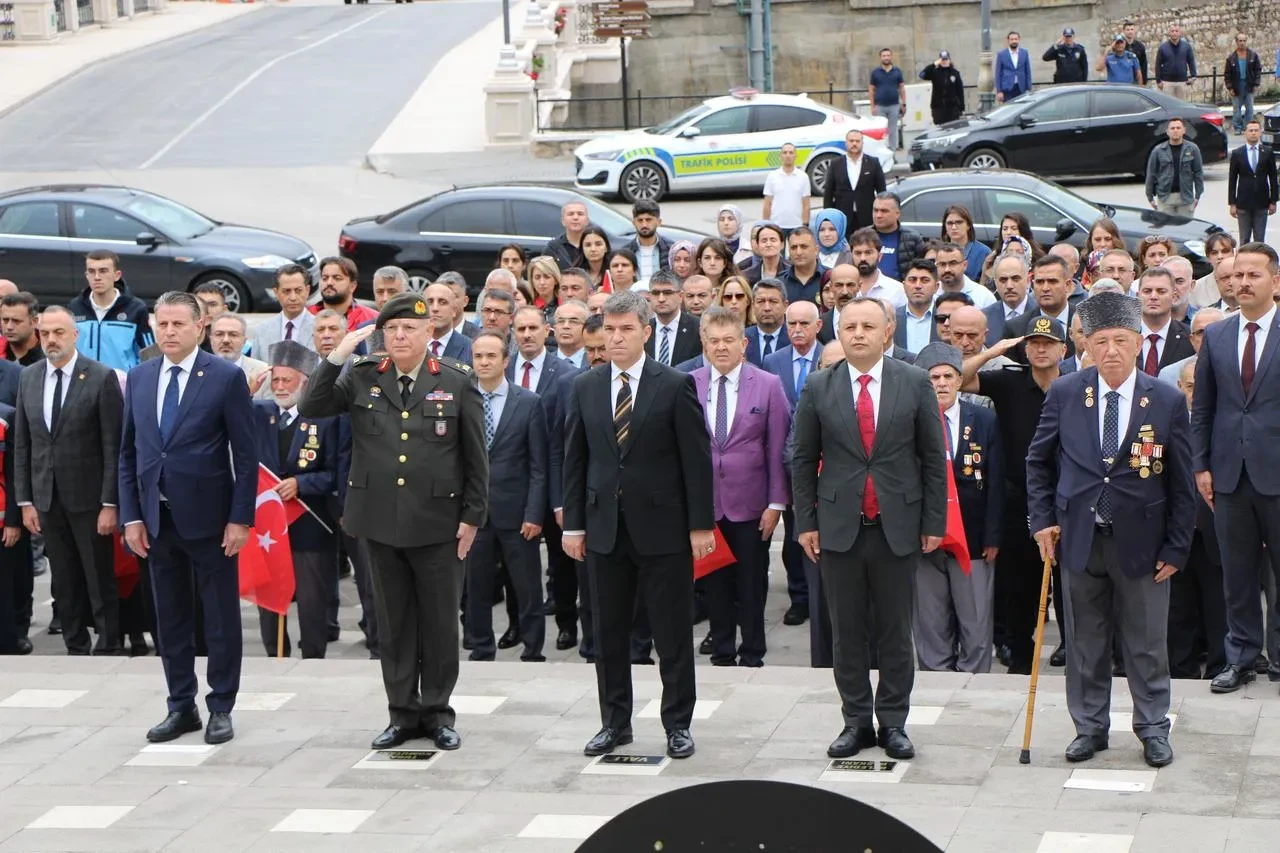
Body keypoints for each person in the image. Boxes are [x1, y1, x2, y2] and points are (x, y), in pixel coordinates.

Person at [299, 292, 488, 750]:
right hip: (380, 520)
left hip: (439, 521)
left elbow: (475, 456)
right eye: (392, 329)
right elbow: (312, 406)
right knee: (394, 622)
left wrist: (473, 517)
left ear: (429, 334)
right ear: (382, 335)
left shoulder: (456, 381)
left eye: (410, 329)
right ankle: (402, 713)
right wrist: (339, 353)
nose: (400, 336)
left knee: (441, 623)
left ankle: (438, 713)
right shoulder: (364, 377)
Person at [1027, 291, 1193, 769]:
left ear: (1138, 343)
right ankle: (1090, 727)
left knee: (1145, 643)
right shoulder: (1065, 391)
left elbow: (1182, 478)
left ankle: (1152, 728)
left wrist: (1178, 546)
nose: (1112, 351)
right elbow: (1038, 461)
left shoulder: (1162, 398)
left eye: (1121, 340)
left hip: (1143, 543)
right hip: (1079, 539)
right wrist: (1042, 521)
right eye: (1102, 342)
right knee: (1084, 643)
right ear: (1087, 347)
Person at [792, 296, 948, 759]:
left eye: (867, 326)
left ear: (887, 333)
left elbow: (932, 459)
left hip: (897, 524)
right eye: (849, 326)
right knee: (847, 631)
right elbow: (802, 460)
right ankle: (856, 721)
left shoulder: (914, 382)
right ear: (838, 333)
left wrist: (933, 521)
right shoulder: (820, 386)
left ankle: (894, 722)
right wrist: (806, 523)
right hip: (840, 526)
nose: (858, 333)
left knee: (896, 631)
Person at [562, 290, 714, 760]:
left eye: (626, 329)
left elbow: (697, 461)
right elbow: (576, 459)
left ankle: (677, 724)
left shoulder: (673, 384)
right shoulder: (586, 386)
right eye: (609, 329)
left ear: (647, 332)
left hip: (663, 529)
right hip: (605, 528)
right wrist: (573, 525)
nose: (616, 338)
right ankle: (614, 723)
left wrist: (700, 525)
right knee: (607, 635)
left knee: (671, 633)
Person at [119, 291, 257, 745]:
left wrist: (240, 518)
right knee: (170, 618)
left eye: (179, 324)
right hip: (157, 521)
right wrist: (131, 516)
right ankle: (181, 706)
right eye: (163, 324)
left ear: (200, 327)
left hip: (211, 521)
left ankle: (221, 706)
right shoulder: (140, 378)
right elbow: (128, 454)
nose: (170, 332)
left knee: (219, 617)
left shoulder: (223, 377)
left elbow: (245, 452)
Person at [1190, 242, 1280, 694]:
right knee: (1236, 572)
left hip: (1277, 474)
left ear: (1275, 282)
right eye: (1237, 275)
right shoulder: (1220, 335)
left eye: (1253, 275)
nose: (1243, 282)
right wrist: (1201, 464)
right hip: (1227, 475)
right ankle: (1240, 656)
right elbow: (1203, 406)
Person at [13, 306, 123, 656]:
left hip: (90, 499)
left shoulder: (100, 377)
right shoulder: (29, 377)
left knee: (97, 575)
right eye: (45, 333)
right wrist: (25, 501)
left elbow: (113, 446)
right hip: (46, 497)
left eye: (59, 332)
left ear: (74, 335)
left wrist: (110, 503)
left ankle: (108, 643)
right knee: (63, 577)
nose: (51, 340)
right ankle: (75, 643)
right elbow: (23, 445)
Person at [961, 317, 1066, 674]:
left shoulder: (1073, 385)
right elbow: (958, 378)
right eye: (1033, 343)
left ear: (1062, 351)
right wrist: (995, 350)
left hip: (1063, 497)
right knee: (1019, 580)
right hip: (1016, 497)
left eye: (1048, 343)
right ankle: (1020, 652)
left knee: (1067, 580)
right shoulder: (1008, 381)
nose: (1039, 349)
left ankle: (1071, 647)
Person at [691, 308, 791, 667]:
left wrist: (776, 503)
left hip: (751, 506)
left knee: (751, 584)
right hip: (707, 506)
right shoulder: (690, 382)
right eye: (713, 341)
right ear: (704, 343)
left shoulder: (767, 384)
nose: (721, 348)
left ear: (743, 343)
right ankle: (721, 651)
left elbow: (779, 446)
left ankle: (752, 652)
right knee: (714, 583)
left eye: (728, 340)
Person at [913, 342, 1002, 673]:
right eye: (933, 376)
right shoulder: (909, 419)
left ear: (960, 380)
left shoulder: (983, 418)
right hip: (924, 536)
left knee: (975, 616)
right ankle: (936, 674)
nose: (941, 383)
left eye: (949, 376)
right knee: (929, 616)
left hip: (973, 535)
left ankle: (974, 677)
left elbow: (996, 479)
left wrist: (993, 535)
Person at [250, 341, 341, 659]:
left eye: (286, 380)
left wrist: (302, 483)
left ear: (304, 381)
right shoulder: (259, 413)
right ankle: (275, 653)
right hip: (268, 527)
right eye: (275, 380)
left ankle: (313, 656)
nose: (279, 386)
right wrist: (247, 392)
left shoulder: (326, 419)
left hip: (309, 523)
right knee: (269, 596)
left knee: (312, 596)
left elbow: (336, 472)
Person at [465, 331, 547, 662]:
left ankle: (533, 648)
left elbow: (539, 465)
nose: (484, 362)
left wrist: (534, 513)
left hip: (517, 513)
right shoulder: (462, 400)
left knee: (526, 586)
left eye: (491, 356)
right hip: (474, 515)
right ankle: (481, 647)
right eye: (478, 357)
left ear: (505, 361)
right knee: (477, 587)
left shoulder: (528, 402)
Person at [763, 301, 821, 630]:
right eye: (792, 324)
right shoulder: (774, 361)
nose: (797, 330)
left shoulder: (831, 356)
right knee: (794, 533)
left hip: (822, 462)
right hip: (785, 461)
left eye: (804, 323)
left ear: (818, 326)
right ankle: (800, 597)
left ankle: (820, 595)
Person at [1170, 357, 1228, 680]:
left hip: (1215, 528)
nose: (1194, 392)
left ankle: (1221, 665)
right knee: (1178, 606)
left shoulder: (1223, 425)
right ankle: (1181, 667)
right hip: (1177, 532)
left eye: (1199, 386)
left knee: (1219, 604)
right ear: (1180, 387)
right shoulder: (1167, 423)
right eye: (1189, 386)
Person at [68, 250, 154, 371]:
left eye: (103, 271)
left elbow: (150, 355)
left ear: (117, 275)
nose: (97, 277)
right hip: (83, 385)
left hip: (121, 386)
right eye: (91, 271)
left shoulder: (136, 309)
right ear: (86, 275)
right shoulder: (74, 307)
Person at [821, 129, 886, 234]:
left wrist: (881, 213)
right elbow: (828, 192)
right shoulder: (836, 164)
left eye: (857, 141)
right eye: (851, 141)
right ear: (846, 143)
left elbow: (882, 192)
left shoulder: (873, 163)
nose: (854, 144)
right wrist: (827, 217)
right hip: (842, 218)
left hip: (867, 217)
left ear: (862, 143)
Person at [1227, 120, 1279, 244]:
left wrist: (1273, 201)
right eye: (1251, 130)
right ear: (1245, 133)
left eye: (1256, 130)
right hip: (1243, 203)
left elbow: (1273, 178)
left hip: (1262, 202)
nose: (1253, 133)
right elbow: (1232, 180)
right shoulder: (1237, 153)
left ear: (1260, 133)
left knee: (1259, 238)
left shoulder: (1267, 152)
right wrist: (1232, 203)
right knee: (1244, 238)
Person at [1137, 268, 1195, 376]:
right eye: (1147, 291)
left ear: (1173, 297)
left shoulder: (1189, 338)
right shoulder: (1124, 337)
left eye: (1161, 291)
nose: (1153, 297)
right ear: (1137, 296)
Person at [250, 265, 316, 359]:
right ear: (276, 292)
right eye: (286, 291)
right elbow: (256, 369)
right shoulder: (262, 330)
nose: (293, 297)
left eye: (298, 290)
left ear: (307, 290)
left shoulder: (320, 328)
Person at [1145, 118, 1204, 216]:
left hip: (1185, 198)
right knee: (1166, 230)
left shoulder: (1193, 149)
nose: (1175, 130)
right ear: (1167, 131)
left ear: (1184, 130)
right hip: (1165, 198)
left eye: (1178, 128)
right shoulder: (1158, 151)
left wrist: (1198, 195)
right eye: (1172, 128)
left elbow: (1198, 173)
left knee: (1185, 229)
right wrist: (1150, 197)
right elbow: (1151, 174)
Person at [644, 270, 700, 367]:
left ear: (680, 296)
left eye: (667, 293)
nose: (661, 299)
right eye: (656, 293)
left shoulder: (698, 328)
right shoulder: (642, 329)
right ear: (649, 296)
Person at [871, 193, 924, 282]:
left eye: (884, 211)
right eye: (876, 210)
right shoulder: (863, 236)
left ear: (897, 214)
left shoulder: (912, 239)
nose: (878, 215)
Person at [984, 254, 1036, 344]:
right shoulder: (984, 317)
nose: (1009, 286)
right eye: (1003, 280)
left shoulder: (1042, 313)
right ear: (995, 282)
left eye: (1015, 279)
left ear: (1028, 280)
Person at [762, 143, 812, 233]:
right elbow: (767, 203)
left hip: (797, 225)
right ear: (780, 156)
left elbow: (806, 204)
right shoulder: (772, 176)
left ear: (796, 155)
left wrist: (805, 225)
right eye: (785, 153)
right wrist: (766, 224)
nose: (788, 155)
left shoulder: (803, 177)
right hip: (776, 225)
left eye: (791, 152)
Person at [897, 258, 941, 354]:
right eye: (912, 280)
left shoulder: (945, 319)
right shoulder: (892, 319)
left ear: (936, 287)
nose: (918, 285)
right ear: (904, 286)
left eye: (925, 280)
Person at [934, 242, 995, 310]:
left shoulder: (984, 297)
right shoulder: (929, 294)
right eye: (942, 264)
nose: (947, 269)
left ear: (965, 265)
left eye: (953, 263)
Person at [623, 200, 672, 285]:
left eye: (648, 220)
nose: (644, 225)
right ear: (634, 223)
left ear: (659, 222)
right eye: (640, 220)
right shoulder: (626, 251)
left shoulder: (670, 249)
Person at [424, 284, 474, 362]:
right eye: (429, 302)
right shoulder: (411, 345)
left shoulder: (471, 348)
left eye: (443, 302)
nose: (435, 308)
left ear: (454, 310)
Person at [1224, 34, 1263, 133]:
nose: (1242, 43)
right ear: (1236, 42)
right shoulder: (1231, 58)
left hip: (1249, 84)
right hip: (1237, 85)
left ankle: (1248, 127)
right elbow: (1227, 74)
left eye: (1244, 41)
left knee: (1249, 107)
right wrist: (1230, 88)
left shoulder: (1253, 55)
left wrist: (1256, 84)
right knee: (1237, 108)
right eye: (1240, 41)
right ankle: (1237, 127)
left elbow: (1258, 70)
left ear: (1246, 41)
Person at [869, 49, 906, 151]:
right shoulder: (875, 72)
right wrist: (872, 107)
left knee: (892, 131)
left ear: (891, 57)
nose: (886, 57)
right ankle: (881, 153)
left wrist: (904, 103)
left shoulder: (897, 71)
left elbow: (901, 88)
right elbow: (871, 90)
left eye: (888, 55)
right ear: (880, 57)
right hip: (880, 106)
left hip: (894, 106)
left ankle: (892, 155)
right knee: (881, 132)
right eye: (884, 56)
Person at [746, 279, 789, 367]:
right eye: (761, 301)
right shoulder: (741, 338)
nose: (767, 308)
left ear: (785, 305)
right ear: (753, 306)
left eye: (773, 301)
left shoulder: (794, 338)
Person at [779, 227, 824, 306]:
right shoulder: (780, 283)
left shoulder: (830, 279)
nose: (798, 252)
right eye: (793, 247)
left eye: (804, 247)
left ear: (816, 250)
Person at [919, 50, 965, 126]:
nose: (944, 61)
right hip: (938, 109)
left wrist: (962, 108)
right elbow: (922, 75)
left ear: (949, 60)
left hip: (952, 109)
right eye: (942, 59)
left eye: (946, 59)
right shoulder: (935, 72)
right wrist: (933, 64)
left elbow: (960, 91)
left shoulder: (955, 73)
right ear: (939, 60)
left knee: (953, 129)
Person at [1154, 23, 1196, 101]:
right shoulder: (1163, 48)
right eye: (1172, 31)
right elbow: (1158, 65)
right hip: (1167, 83)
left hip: (1182, 83)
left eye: (1176, 31)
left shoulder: (1186, 47)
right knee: (1168, 107)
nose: (1174, 33)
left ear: (1180, 33)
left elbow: (1191, 61)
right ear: (1169, 33)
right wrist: (1158, 81)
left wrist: (1193, 76)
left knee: (1183, 107)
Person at [544, 200, 590, 271]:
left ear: (587, 220)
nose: (575, 217)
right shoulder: (553, 248)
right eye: (570, 214)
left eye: (580, 214)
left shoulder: (595, 245)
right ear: (563, 221)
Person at [0, 293, 43, 366]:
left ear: (34, 322)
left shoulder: (51, 355)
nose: (9, 327)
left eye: (16, 321)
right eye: (5, 320)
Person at [994, 31, 1032, 103]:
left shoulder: (1024, 53)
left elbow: (1028, 71)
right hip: (1007, 89)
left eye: (1016, 39)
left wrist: (1029, 88)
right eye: (1012, 39)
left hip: (1021, 88)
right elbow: (998, 74)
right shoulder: (1001, 54)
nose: (1014, 41)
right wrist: (999, 91)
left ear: (1019, 40)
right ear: (1008, 40)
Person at [553, 300, 589, 369]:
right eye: (561, 321)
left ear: (586, 328)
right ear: (554, 328)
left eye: (573, 321)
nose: (566, 326)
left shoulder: (596, 361)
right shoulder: (543, 363)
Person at [1123, 20, 1149, 85]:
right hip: (1123, 79)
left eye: (1132, 29)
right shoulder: (1119, 46)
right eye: (1128, 30)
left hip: (1137, 80)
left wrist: (1144, 82)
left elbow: (1143, 65)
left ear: (1134, 31)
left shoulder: (1140, 46)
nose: (1130, 32)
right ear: (1124, 31)